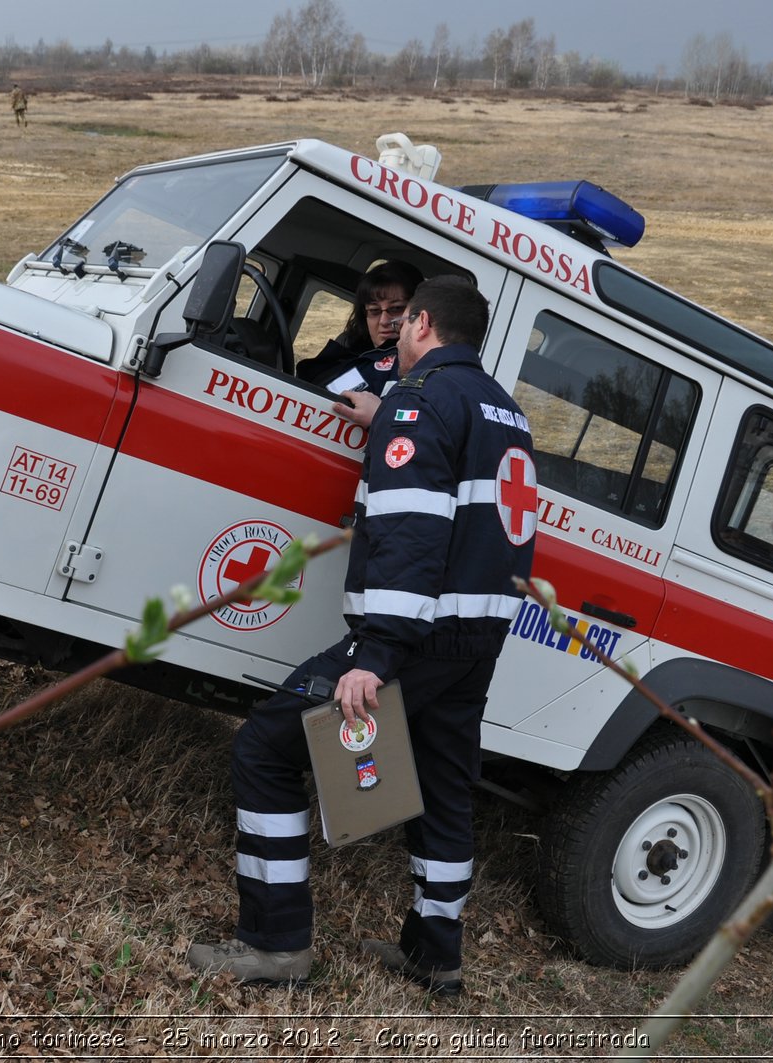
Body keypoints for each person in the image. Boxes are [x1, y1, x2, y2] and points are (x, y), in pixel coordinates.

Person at [187, 276, 538, 995]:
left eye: (402, 323)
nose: (397, 337)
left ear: (422, 324)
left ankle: (275, 943)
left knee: (265, 749)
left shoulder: (420, 401)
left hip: (415, 637)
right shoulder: (509, 414)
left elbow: (412, 532)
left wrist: (375, 654)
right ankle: (436, 956)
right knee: (443, 791)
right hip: (477, 642)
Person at [295, 260, 422, 395]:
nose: (384, 321)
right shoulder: (348, 354)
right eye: (374, 310)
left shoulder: (421, 371)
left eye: (396, 308)